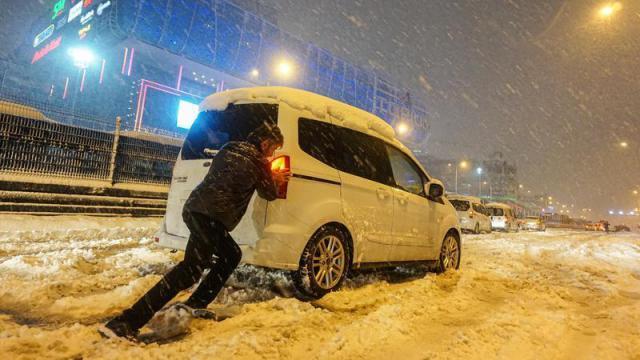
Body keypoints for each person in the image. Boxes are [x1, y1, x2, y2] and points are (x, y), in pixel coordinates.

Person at [99, 122, 290, 340]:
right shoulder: (258, 162)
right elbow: (269, 194)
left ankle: (196, 304)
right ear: (265, 143)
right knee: (189, 271)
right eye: (273, 149)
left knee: (228, 255)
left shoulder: (228, 148)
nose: (272, 154)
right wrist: (275, 178)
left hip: (195, 210)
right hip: (212, 219)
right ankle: (125, 323)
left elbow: (227, 177)